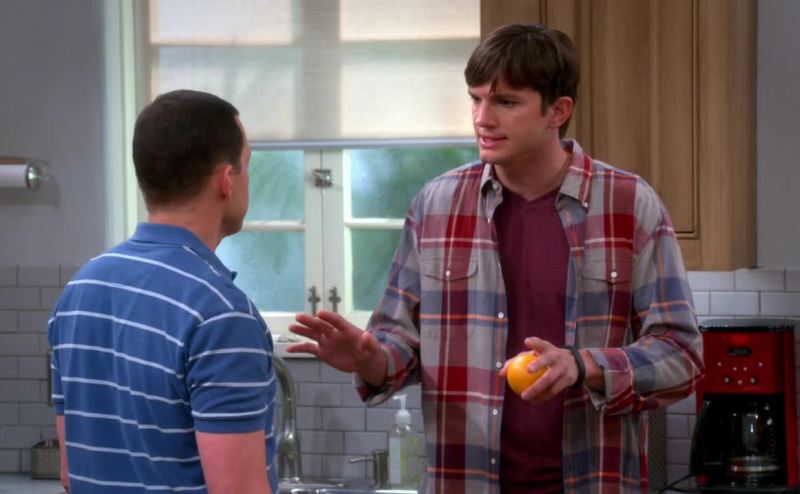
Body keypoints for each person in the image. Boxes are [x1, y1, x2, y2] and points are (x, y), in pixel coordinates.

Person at [288, 23, 704, 493]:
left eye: (505, 102)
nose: (482, 118)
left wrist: (583, 366)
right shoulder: (436, 205)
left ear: (558, 111)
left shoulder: (629, 204)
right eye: (476, 99)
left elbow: (682, 354)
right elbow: (399, 345)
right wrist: (371, 360)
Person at [48, 90, 277, 494]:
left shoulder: (79, 292)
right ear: (227, 180)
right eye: (247, 167)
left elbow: (71, 473)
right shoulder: (221, 314)